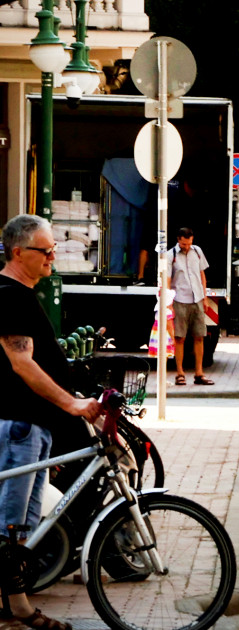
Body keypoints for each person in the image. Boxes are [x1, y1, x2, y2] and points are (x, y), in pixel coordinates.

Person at [0, 214, 102, 630]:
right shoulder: (8, 296)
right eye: (45, 250)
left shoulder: (23, 293)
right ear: (19, 251)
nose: (52, 257)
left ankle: (18, 608)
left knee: (20, 528)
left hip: (34, 425)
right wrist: (72, 405)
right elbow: (22, 364)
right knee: (8, 526)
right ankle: (12, 611)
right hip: (19, 424)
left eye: (54, 249)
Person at [166, 227, 213, 386]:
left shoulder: (197, 251)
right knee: (179, 338)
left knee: (199, 336)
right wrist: (169, 303)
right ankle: (180, 373)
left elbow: (201, 275)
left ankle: (199, 373)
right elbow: (167, 279)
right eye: (184, 244)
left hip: (197, 299)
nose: (186, 247)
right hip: (180, 299)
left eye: (189, 243)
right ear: (178, 240)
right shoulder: (170, 255)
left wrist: (205, 298)